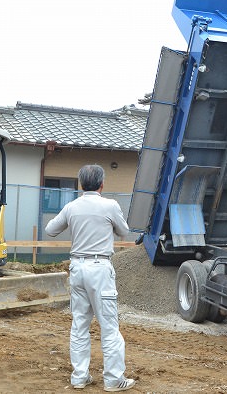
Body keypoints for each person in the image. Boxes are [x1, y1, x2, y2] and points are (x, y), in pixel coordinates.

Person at [45, 164, 135, 392]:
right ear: (102, 184)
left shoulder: (71, 207)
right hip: (100, 268)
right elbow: (124, 231)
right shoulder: (110, 205)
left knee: (79, 325)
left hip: (77, 268)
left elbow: (50, 230)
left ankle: (79, 377)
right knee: (109, 327)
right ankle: (114, 379)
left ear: (80, 184)